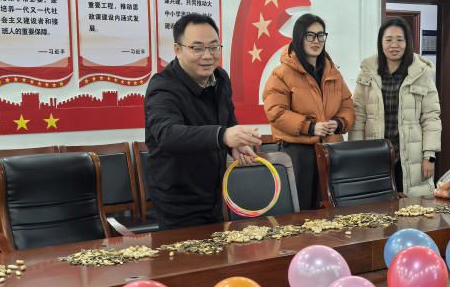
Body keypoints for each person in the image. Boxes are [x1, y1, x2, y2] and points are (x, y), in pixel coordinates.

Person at [145, 13, 261, 229]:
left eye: (214, 47)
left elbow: (228, 118)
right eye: (197, 48)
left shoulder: (221, 78)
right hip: (177, 202)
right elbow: (167, 134)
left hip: (214, 193)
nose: (207, 56)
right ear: (178, 49)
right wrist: (223, 136)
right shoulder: (163, 86)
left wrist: (234, 144)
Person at [263, 13, 355, 210]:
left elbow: (347, 105)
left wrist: (339, 123)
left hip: (331, 150)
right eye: (310, 35)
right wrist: (310, 127)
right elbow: (276, 112)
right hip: (298, 154)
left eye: (321, 35)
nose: (316, 41)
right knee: (301, 212)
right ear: (299, 38)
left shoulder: (333, 73)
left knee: (330, 210)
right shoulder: (282, 73)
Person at [350, 17, 441, 196]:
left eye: (400, 40)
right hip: (375, 153)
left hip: (410, 156)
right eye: (389, 40)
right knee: (376, 205)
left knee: (411, 206)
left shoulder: (421, 73)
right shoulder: (367, 72)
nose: (394, 45)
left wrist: (429, 155)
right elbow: (358, 115)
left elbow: (431, 117)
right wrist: (356, 154)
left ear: (407, 43)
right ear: (381, 43)